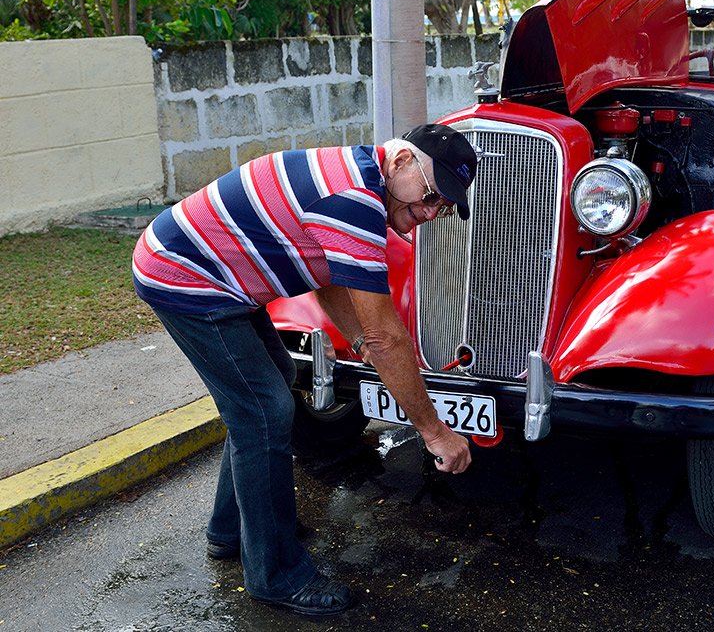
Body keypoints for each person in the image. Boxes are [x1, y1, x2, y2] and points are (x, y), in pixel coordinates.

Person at [131, 124, 478, 617]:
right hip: (187, 277)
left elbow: (325, 274)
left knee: (266, 389)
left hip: (214, 272)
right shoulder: (354, 203)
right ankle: (276, 576)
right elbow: (386, 335)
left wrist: (358, 341)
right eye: (429, 195)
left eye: (440, 207)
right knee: (265, 411)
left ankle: (232, 532)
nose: (428, 213)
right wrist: (435, 432)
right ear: (401, 162)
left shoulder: (359, 178)